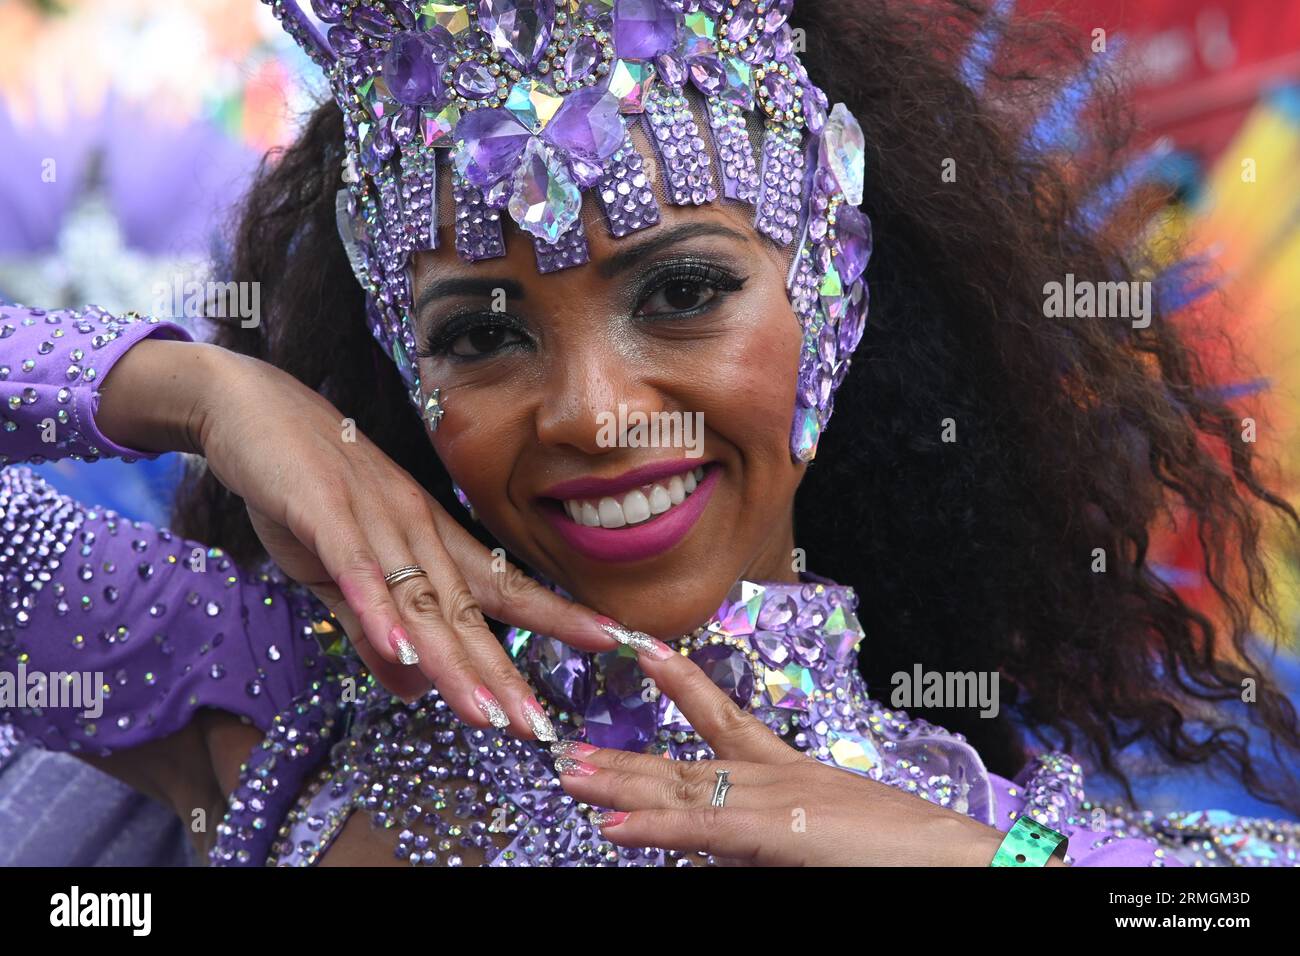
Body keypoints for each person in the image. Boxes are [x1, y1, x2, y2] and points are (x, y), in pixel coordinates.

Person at [1, 0, 1297, 867]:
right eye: (482, 334)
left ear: (831, 294)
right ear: (407, 368)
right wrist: (203, 395)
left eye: (681, 296)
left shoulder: (953, 816)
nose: (592, 415)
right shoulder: (294, 689)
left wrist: (987, 852)